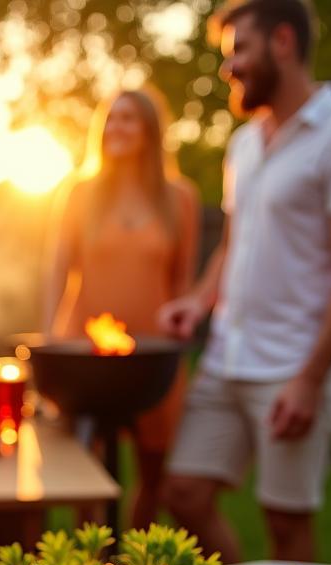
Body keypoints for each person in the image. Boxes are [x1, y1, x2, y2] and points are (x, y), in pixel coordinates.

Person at [158, 0, 331, 563]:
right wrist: (199, 298)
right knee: (183, 496)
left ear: (282, 42)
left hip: (293, 366)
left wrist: (311, 378)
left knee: (286, 526)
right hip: (226, 357)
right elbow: (236, 243)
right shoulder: (244, 144)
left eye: (240, 50)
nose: (228, 68)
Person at [45, 87, 201, 528]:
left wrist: (177, 342)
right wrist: (50, 340)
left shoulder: (180, 198)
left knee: (154, 474)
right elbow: (56, 271)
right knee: (85, 473)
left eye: (129, 118)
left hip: (153, 354)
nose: (118, 127)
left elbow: (182, 281)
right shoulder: (80, 193)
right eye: (111, 118)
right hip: (85, 349)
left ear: (150, 131)